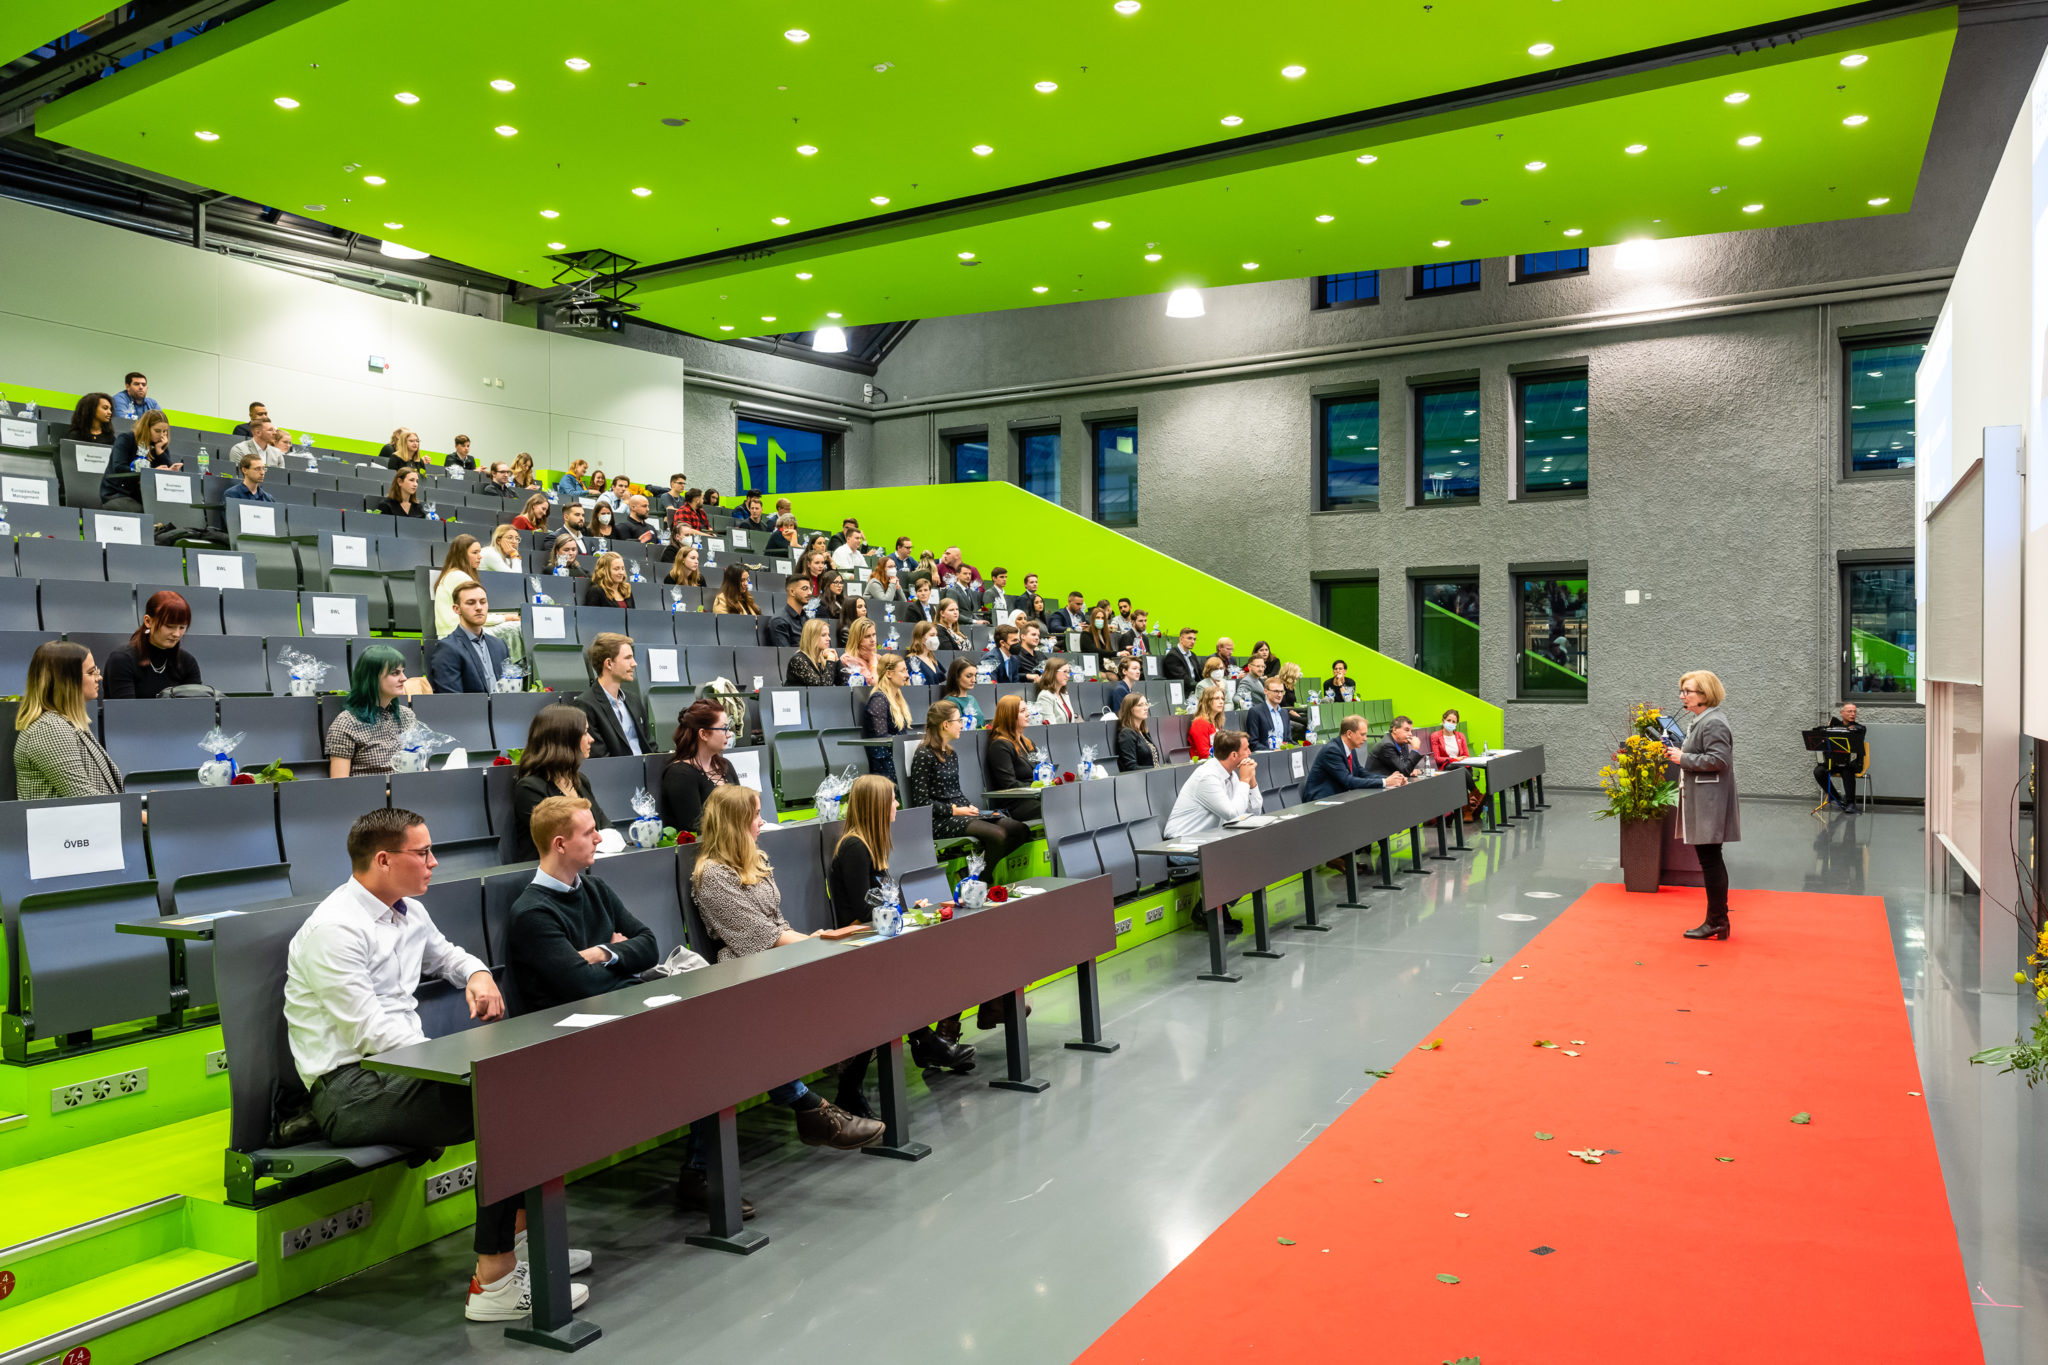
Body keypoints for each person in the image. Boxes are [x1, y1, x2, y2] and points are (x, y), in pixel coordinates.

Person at [282, 808, 585, 1323]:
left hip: (400, 1071)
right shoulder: (334, 930)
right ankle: (494, 1281)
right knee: (507, 1102)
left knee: (527, 1084)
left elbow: (449, 957)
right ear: (383, 860)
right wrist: (448, 1063)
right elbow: (372, 1035)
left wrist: (478, 974)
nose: (434, 862)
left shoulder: (408, 912)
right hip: (350, 1090)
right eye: (422, 853)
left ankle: (520, 1247)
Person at [681, 785, 881, 1203]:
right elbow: (757, 936)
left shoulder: (756, 859)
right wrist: (814, 943)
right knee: (747, 1038)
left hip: (777, 963)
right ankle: (815, 1108)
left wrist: (812, 941)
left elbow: (778, 923)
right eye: (755, 815)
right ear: (735, 822)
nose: (762, 822)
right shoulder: (711, 876)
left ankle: (826, 1098)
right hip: (741, 974)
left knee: (860, 986)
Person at [827, 775, 977, 1117]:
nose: (897, 805)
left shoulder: (870, 845)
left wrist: (906, 910)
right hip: (858, 942)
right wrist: (901, 912)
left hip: (875, 937)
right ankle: (927, 1044)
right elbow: (863, 909)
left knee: (952, 954)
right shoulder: (855, 848)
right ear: (876, 806)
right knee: (911, 976)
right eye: (892, 800)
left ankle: (928, 1042)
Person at [507, 794, 657, 1008]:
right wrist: (622, 957)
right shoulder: (532, 913)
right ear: (560, 845)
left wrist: (601, 953)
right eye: (588, 833)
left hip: (623, 1004)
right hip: (576, 1021)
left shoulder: (596, 888)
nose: (599, 838)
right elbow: (584, 985)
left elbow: (650, 947)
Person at [909, 700, 1030, 871]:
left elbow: (956, 791)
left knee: (1020, 829)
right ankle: (980, 878)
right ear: (945, 724)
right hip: (939, 820)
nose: (962, 725)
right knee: (998, 835)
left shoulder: (951, 753)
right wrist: (955, 810)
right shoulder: (924, 754)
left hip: (960, 813)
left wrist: (970, 807)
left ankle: (970, 872)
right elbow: (921, 802)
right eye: (959, 721)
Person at [1164, 729, 1263, 934]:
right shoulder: (1207, 777)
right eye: (1246, 749)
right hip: (1180, 844)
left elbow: (1254, 810)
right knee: (1233, 854)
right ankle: (1209, 911)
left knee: (1254, 851)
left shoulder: (1230, 775)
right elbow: (1232, 814)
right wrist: (1244, 780)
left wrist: (1251, 781)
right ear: (1234, 755)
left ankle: (1211, 908)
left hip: (1209, 840)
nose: (1250, 753)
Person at [1666, 670, 1740, 941]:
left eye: (1687, 691)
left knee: (1710, 860)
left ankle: (1717, 921)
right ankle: (1718, 920)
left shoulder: (1713, 722)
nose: (1682, 696)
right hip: (1704, 798)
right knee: (1710, 859)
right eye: (1682, 691)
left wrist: (1682, 758)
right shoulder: (1703, 719)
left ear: (1705, 694)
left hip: (1709, 801)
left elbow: (1719, 760)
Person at [14, 642, 122, 798]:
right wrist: (138, 811)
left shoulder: (63, 722)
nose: (99, 677)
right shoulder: (49, 729)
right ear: (66, 681)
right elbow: (83, 797)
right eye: (91, 672)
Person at [325, 645, 416, 777]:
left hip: (409, 788)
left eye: (403, 671)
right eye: (395, 673)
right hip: (372, 790)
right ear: (372, 677)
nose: (404, 678)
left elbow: (417, 763)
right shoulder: (346, 723)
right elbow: (340, 783)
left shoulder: (407, 716)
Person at [658, 699, 738, 836]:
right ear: (703, 734)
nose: (729, 734)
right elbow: (695, 829)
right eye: (724, 728)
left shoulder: (725, 765)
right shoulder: (680, 774)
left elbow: (742, 808)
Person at [105, 590, 202, 699]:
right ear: (148, 621)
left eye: (182, 627)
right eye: (169, 626)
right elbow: (126, 708)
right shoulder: (122, 660)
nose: (177, 634)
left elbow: (196, 707)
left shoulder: (188, 662)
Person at [576, 633, 651, 758]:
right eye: (628, 658)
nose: (634, 663)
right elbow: (601, 758)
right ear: (609, 663)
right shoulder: (586, 705)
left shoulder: (634, 700)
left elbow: (650, 746)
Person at [429, 582, 511, 694]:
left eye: (483, 602)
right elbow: (452, 698)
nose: (479, 607)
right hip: (471, 706)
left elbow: (509, 688)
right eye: (471, 603)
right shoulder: (448, 648)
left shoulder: (500, 645)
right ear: (457, 609)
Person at [1303, 715, 1408, 801]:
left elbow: (1361, 772)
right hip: (1320, 800)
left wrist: (1390, 779)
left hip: (1339, 797)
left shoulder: (1350, 748)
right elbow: (1348, 781)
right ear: (1349, 734)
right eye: (1362, 735)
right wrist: (1385, 782)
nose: (1365, 739)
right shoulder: (1332, 750)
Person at [103, 410, 180, 510]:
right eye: (157, 431)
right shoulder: (126, 439)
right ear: (146, 428)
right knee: (143, 511)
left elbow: (167, 472)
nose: (162, 435)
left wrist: (160, 451)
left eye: (165, 431)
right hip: (119, 493)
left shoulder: (159, 445)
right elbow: (119, 468)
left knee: (169, 510)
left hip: (144, 495)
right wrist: (150, 473)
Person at [983, 694, 1044, 820]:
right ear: (1009, 716)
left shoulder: (1028, 743)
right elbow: (1009, 785)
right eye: (1022, 711)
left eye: (1026, 710)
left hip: (1036, 796)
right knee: (1056, 807)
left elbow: (1039, 770)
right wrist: (1035, 786)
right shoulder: (1000, 745)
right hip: (1016, 804)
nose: (1028, 714)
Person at [862, 655, 914, 779]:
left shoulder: (897, 698)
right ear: (889, 673)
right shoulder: (878, 699)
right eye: (902, 671)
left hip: (897, 758)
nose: (907, 675)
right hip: (885, 764)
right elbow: (881, 738)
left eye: (906, 670)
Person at [1431, 707, 1483, 821]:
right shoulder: (1435, 736)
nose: (1451, 723)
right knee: (1460, 771)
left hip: (1462, 767)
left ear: (1456, 724)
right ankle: (1476, 794)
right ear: (1443, 720)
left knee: (1461, 773)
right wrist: (1454, 759)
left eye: (1454, 722)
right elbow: (1437, 758)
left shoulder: (1460, 736)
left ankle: (1467, 811)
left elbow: (1466, 755)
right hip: (1447, 767)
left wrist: (1460, 760)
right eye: (1449, 720)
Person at [1814, 701, 1866, 812]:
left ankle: (1851, 803)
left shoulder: (1860, 728)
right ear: (1841, 713)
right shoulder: (1834, 727)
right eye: (1849, 711)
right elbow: (1820, 731)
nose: (1853, 714)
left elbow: (1855, 732)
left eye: (1854, 712)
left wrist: (1835, 724)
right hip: (1834, 762)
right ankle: (1835, 797)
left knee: (1846, 769)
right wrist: (1830, 727)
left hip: (1852, 763)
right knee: (1818, 771)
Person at [1114, 693, 1162, 773]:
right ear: (1130, 709)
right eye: (1140, 705)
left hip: (1153, 775)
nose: (1146, 708)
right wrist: (1155, 769)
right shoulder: (1126, 734)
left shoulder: (1144, 732)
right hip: (1141, 778)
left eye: (1146, 704)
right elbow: (1130, 767)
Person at [786, 618, 839, 686]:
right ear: (812, 637)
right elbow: (822, 688)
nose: (829, 638)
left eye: (828, 635)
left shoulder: (824, 658)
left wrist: (837, 661)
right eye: (823, 635)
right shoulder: (798, 660)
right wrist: (831, 661)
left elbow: (845, 683)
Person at [1245, 676, 1291, 752]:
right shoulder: (1255, 711)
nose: (1279, 695)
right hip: (1266, 755)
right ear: (1266, 691)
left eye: (1282, 692)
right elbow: (1253, 743)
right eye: (1276, 691)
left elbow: (1288, 740)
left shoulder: (1284, 713)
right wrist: (1272, 752)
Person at [766, 578, 812, 649]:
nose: (810, 593)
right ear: (792, 592)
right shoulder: (779, 621)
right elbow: (785, 653)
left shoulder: (807, 619)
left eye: (810, 589)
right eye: (805, 588)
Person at [1033, 657, 1078, 725]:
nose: (1068, 675)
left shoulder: (1064, 694)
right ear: (1053, 672)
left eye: (1069, 672)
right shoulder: (1045, 696)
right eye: (1065, 671)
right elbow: (1051, 727)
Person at [1188, 683, 1228, 760]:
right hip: (1203, 763)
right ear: (1207, 701)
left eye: (1222, 699)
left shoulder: (1216, 721)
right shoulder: (1200, 723)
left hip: (1216, 760)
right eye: (1217, 698)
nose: (1221, 702)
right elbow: (1204, 754)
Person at [941, 658, 982, 729]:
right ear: (956, 677)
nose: (974, 680)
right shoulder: (950, 701)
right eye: (969, 676)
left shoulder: (971, 698)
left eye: (975, 676)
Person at [839, 618, 881, 687]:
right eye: (867, 636)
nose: (873, 640)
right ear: (857, 639)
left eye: (874, 635)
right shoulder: (848, 659)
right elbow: (873, 684)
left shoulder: (878, 657)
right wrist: (872, 661)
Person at [903, 621, 945, 686]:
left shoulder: (932, 659)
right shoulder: (912, 661)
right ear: (921, 637)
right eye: (932, 635)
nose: (935, 638)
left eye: (936, 635)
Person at [1275, 662, 1309, 742]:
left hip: (1291, 712)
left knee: (1309, 720)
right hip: (1282, 714)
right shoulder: (1279, 685)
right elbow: (1282, 705)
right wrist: (1292, 712)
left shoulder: (1290, 686)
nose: (1299, 675)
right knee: (1306, 723)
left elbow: (1292, 703)